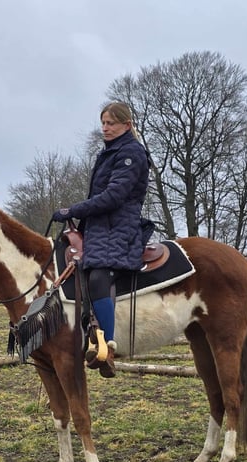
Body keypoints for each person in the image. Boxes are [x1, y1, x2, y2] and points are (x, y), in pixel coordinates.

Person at [52, 102, 150, 378]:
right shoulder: (109, 153)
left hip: (118, 227)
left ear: (127, 125)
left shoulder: (131, 153)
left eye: (111, 123)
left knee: (98, 277)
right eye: (103, 123)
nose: (105, 128)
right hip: (100, 226)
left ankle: (106, 348)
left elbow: (113, 197)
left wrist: (73, 210)